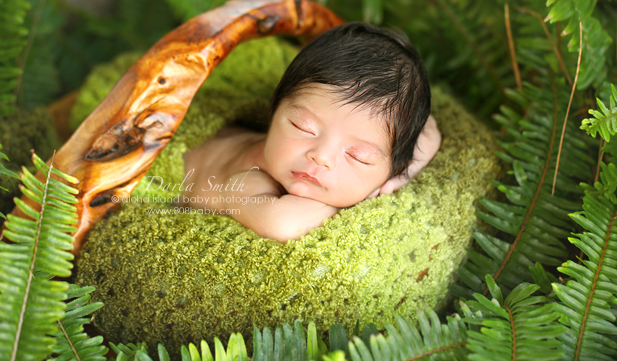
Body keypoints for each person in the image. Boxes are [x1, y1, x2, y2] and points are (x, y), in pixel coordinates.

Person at [177, 22, 441, 242]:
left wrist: (408, 167)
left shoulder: (387, 157)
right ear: (273, 111)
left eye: (358, 156)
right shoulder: (251, 177)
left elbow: (428, 129)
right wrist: (354, 198)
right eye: (303, 127)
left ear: (393, 170)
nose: (321, 156)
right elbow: (282, 224)